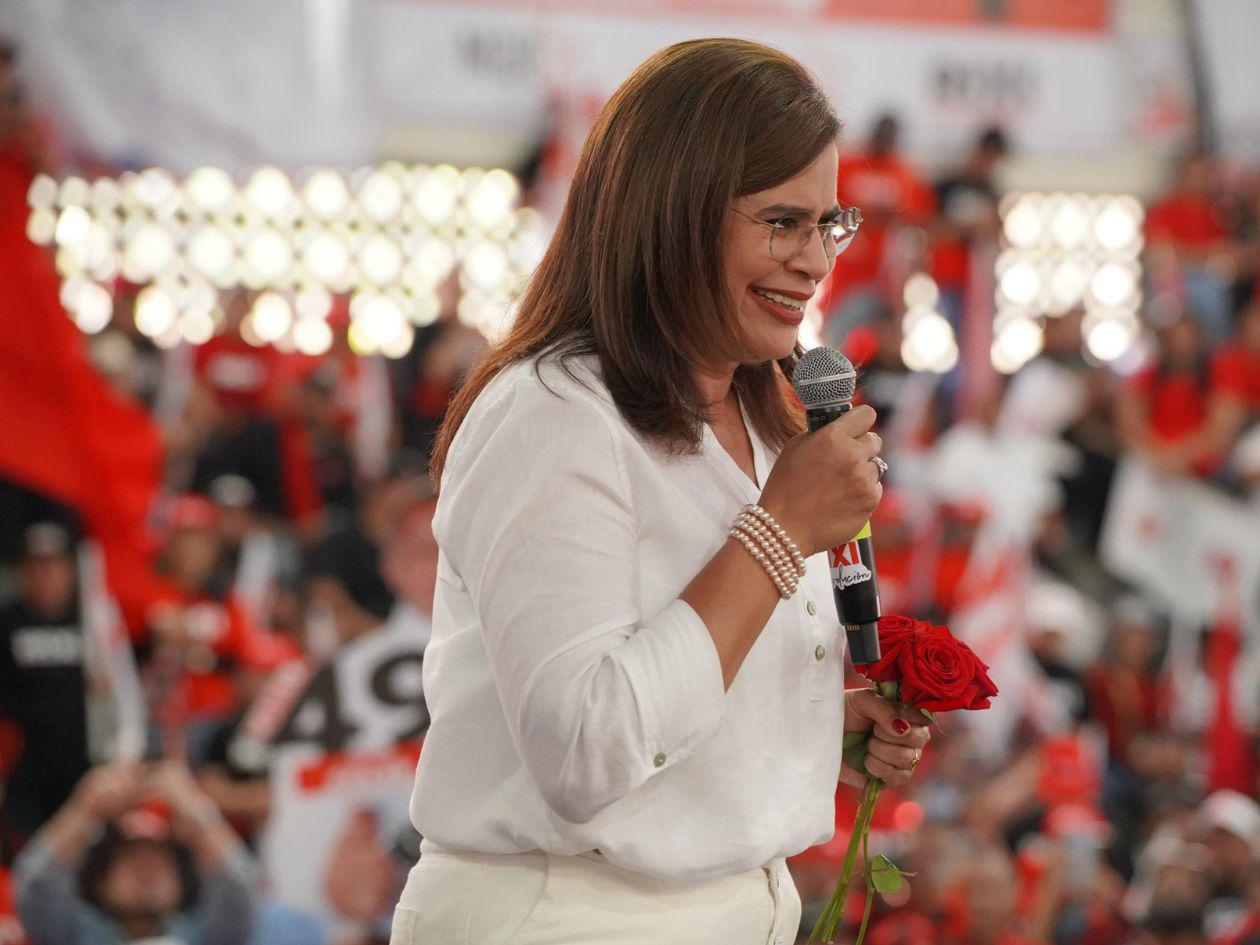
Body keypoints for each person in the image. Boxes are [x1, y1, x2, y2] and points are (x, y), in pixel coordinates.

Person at [390, 39, 931, 945]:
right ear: (673, 213)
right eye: (781, 222)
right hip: (564, 917)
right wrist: (778, 531)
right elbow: (584, 749)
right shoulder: (552, 411)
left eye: (828, 224)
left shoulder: (763, 411)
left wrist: (812, 724)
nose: (815, 261)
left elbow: (674, 683)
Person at [13, 761, 256, 945]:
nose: (146, 870)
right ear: (102, 881)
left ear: (182, 881)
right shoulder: (74, 934)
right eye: (131, 860)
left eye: (160, 859)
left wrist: (198, 813)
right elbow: (36, 884)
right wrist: (83, 808)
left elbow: (241, 889)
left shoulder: (206, 937)